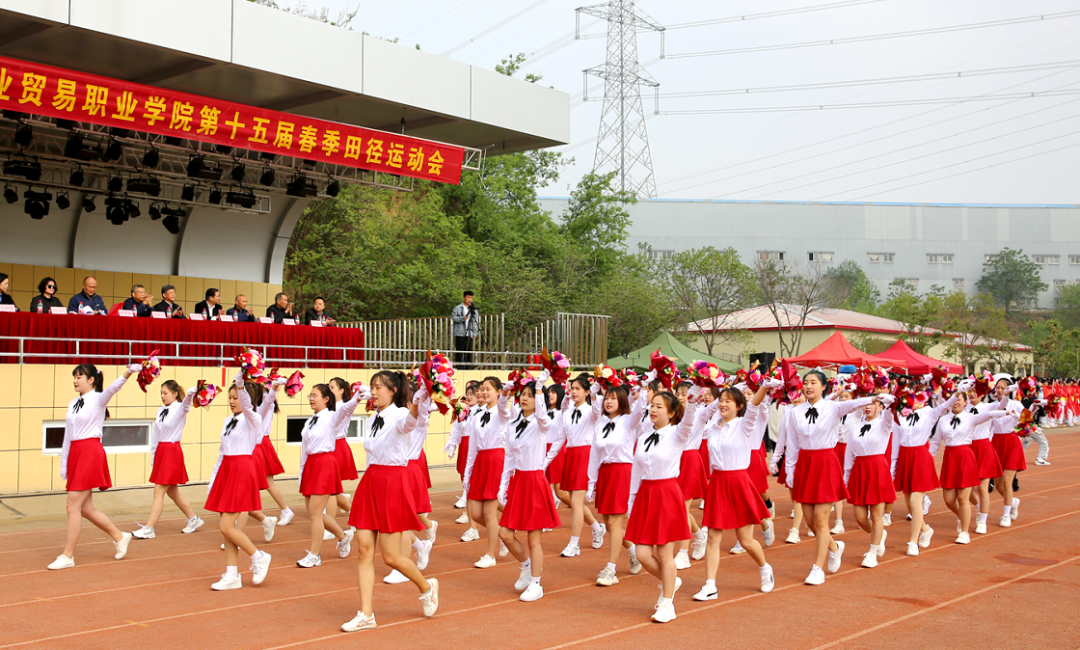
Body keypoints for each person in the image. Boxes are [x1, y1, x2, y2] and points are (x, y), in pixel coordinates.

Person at [341, 371, 439, 632]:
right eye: (372, 387)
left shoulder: (400, 414)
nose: (373, 392)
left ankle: (426, 586)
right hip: (371, 481)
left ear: (394, 391)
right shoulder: (374, 417)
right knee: (364, 550)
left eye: (379, 387)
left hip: (393, 483)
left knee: (391, 557)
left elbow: (410, 422)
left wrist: (418, 402)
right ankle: (366, 614)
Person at [782, 371, 885, 585]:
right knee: (810, 521)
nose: (808, 386)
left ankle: (817, 569)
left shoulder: (833, 407)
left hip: (826, 463)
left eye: (813, 382)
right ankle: (835, 547)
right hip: (805, 465)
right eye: (806, 382)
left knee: (821, 519)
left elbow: (856, 403)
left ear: (823, 387)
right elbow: (792, 444)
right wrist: (790, 470)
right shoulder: (795, 412)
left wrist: (878, 397)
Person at [47, 362, 141, 569]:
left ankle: (67, 555)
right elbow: (68, 435)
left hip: (90, 452)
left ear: (91, 379)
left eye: (79, 376)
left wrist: (128, 372)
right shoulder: (73, 403)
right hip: (76, 453)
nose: (75, 380)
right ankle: (120, 536)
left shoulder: (99, 399)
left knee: (72, 505)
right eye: (74, 377)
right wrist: (64, 463)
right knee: (86, 509)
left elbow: (114, 388)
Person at [694, 381, 777, 601]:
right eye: (721, 400)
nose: (723, 404)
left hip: (739, 482)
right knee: (713, 537)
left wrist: (764, 387)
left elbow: (754, 406)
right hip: (717, 483)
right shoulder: (712, 427)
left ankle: (764, 568)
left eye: (728, 401)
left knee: (746, 540)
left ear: (739, 406)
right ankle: (710, 585)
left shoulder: (744, 425)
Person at [625, 386, 700, 623]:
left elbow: (689, 421)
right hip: (645, 495)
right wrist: (631, 500)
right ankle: (671, 581)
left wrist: (693, 396)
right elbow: (636, 471)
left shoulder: (677, 434)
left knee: (665, 554)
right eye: (652, 405)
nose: (653, 409)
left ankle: (667, 604)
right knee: (642, 554)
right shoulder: (643, 436)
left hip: (666, 494)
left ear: (671, 413)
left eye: (659, 406)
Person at [206, 372, 273, 590]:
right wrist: (213, 480)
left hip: (242, 470)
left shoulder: (253, 419)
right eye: (230, 397)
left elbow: (247, 405)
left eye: (236, 397)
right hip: (226, 471)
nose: (232, 401)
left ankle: (258, 557)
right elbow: (222, 452)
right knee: (226, 528)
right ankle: (232, 574)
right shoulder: (228, 421)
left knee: (226, 526)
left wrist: (240, 385)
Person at [498, 370, 560, 602]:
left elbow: (543, 417)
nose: (525, 398)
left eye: (530, 395)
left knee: (534, 539)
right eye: (523, 394)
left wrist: (540, 388)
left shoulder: (542, 423)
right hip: (519, 482)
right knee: (505, 534)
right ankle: (526, 566)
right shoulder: (514, 423)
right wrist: (503, 485)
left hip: (534, 481)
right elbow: (509, 457)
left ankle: (536, 584)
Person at [587, 381, 645, 586]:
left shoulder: (629, 421)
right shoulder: (600, 423)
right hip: (605, 474)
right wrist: (591, 482)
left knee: (614, 523)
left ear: (622, 401)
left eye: (613, 398)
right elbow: (594, 455)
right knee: (611, 526)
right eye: (607, 398)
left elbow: (640, 409)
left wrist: (643, 389)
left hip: (622, 473)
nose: (608, 401)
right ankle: (634, 551)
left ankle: (610, 569)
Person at [931, 391, 1007, 543]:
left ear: (965, 402)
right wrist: (927, 458)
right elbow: (935, 442)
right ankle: (963, 516)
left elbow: (989, 415)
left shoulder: (970, 418)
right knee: (948, 499)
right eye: (953, 399)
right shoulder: (943, 420)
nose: (956, 402)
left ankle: (964, 533)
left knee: (962, 498)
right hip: (950, 458)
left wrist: (1008, 412)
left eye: (959, 400)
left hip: (965, 457)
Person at [295, 384, 358, 568]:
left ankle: (315, 555)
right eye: (310, 395)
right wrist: (301, 472)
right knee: (313, 513)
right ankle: (343, 536)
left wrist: (357, 398)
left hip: (324, 464)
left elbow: (346, 409)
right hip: (311, 465)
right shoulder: (310, 421)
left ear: (326, 399)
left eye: (315, 395)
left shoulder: (332, 416)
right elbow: (305, 448)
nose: (311, 398)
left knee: (315, 514)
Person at [132, 381, 203, 539]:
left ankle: (149, 528)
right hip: (161, 451)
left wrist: (190, 394)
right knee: (172, 491)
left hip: (171, 451)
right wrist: (153, 455)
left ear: (175, 393)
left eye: (165, 393)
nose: (162, 396)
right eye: (161, 393)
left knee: (159, 491)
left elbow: (186, 405)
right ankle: (194, 519)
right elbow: (156, 434)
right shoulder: (161, 410)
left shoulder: (180, 408)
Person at [546, 374, 606, 558]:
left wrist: (595, 395)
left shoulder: (591, 411)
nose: (573, 392)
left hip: (586, 456)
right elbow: (560, 439)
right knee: (574, 502)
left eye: (578, 389)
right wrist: (546, 461)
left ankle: (574, 543)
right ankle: (597, 528)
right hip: (571, 456)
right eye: (572, 388)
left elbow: (597, 411)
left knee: (576, 503)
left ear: (586, 391)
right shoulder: (566, 413)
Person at [842, 392, 898, 568]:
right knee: (859, 517)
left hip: (877, 469)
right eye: (867, 403)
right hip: (859, 469)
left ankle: (873, 552)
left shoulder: (884, 424)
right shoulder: (855, 427)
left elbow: (890, 414)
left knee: (876, 514)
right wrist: (846, 476)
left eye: (873, 404)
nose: (868, 407)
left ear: (880, 407)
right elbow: (850, 453)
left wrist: (888, 400)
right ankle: (879, 535)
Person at [463, 376, 512, 568]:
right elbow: (472, 447)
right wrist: (468, 473)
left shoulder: (502, 412)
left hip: (496, 460)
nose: (483, 392)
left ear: (498, 391)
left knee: (489, 513)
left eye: (488, 389)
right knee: (476, 514)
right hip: (480, 461)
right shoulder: (477, 415)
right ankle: (501, 534)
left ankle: (490, 555)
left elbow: (503, 406)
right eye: (482, 389)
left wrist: (505, 394)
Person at [451, 291, 479, 369]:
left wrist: (475, 332)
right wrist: (462, 318)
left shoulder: (474, 310)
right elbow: (453, 318)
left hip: (470, 333)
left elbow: (475, 322)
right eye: (468, 297)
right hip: (460, 333)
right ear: (464, 298)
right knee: (459, 352)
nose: (470, 299)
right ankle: (459, 368)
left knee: (469, 353)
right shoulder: (457, 308)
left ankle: (468, 369)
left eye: (471, 298)